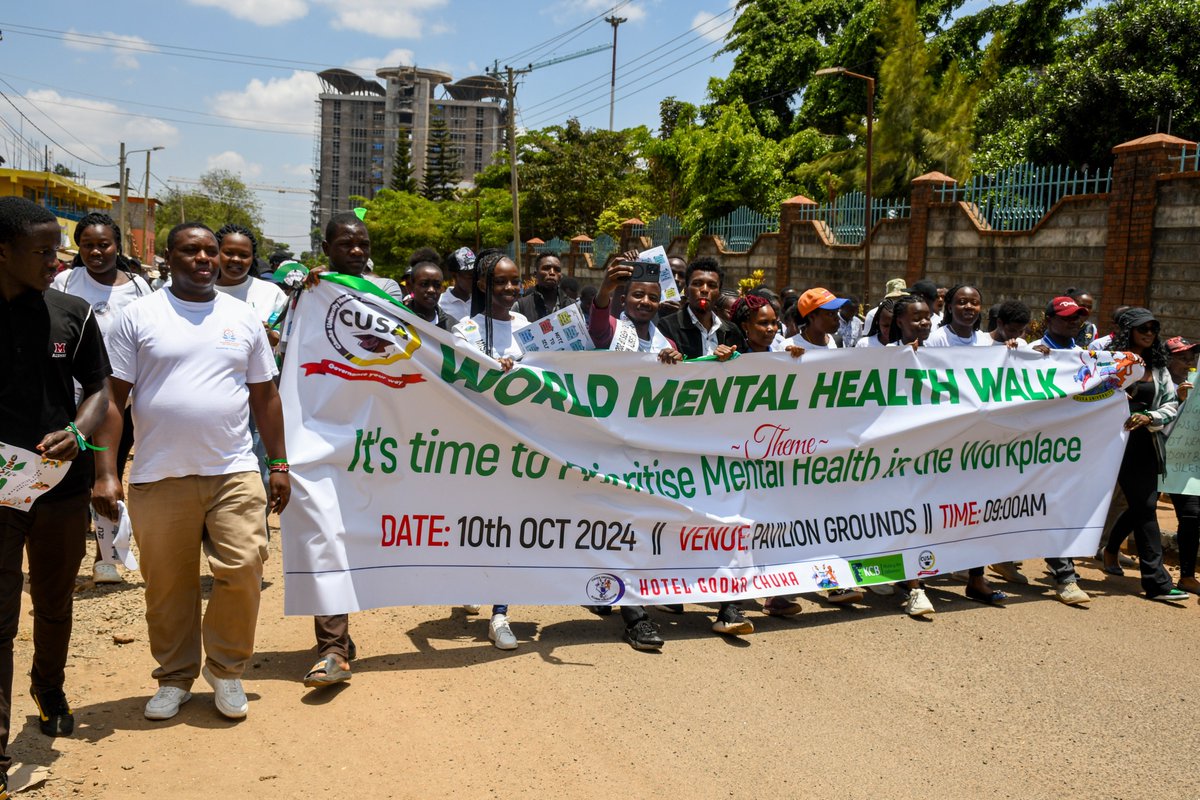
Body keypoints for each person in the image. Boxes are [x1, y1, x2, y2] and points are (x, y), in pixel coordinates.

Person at [94, 221, 291, 721]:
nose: (205, 259)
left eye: (211, 252)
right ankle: (175, 677)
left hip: (234, 470)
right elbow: (112, 400)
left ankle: (225, 671)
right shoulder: (138, 316)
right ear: (169, 257)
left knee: (245, 566)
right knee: (168, 586)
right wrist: (105, 471)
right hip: (159, 474)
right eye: (192, 251)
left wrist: (279, 463)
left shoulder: (242, 318)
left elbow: (265, 396)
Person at [0, 198, 114, 796]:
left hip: (58, 485)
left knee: (52, 600)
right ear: (4, 251)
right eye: (43, 251)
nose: (56, 261)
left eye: (56, 249)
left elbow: (100, 390)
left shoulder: (72, 312)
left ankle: (49, 689)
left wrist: (78, 434)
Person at [585, 259, 682, 649]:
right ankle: (636, 618)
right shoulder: (613, 331)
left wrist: (677, 366)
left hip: (651, 454)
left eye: (653, 297)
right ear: (625, 298)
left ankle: (614, 591)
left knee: (645, 528)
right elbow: (597, 326)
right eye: (638, 295)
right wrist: (605, 290)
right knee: (622, 532)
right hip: (610, 448)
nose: (646, 302)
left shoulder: (667, 343)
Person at [51, 212, 151, 585]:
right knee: (70, 475)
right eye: (88, 244)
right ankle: (64, 554)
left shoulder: (139, 287)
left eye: (103, 244)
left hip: (118, 400)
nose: (96, 251)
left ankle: (104, 557)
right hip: (71, 397)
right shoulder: (64, 282)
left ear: (117, 246)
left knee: (108, 475)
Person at [452, 250, 529, 649]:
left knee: (509, 526)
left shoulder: (526, 326)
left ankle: (500, 613)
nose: (510, 289)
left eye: (515, 281)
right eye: (501, 282)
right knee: (475, 522)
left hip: (520, 443)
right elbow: (458, 379)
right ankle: (467, 579)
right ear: (484, 285)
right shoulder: (465, 329)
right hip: (477, 444)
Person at [1099, 308, 1189, 601]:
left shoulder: (1159, 367)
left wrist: (1149, 416)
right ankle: (1062, 563)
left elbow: (1170, 405)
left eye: (1153, 328)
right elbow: (1087, 393)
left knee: (1146, 506)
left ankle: (1155, 582)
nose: (1149, 333)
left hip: (1144, 446)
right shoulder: (1108, 362)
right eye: (1143, 328)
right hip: (1110, 445)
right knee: (1091, 500)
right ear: (1128, 330)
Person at [883, 295, 937, 616]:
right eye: (916, 318)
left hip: (932, 452)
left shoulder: (948, 358)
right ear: (899, 322)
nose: (924, 323)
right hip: (896, 455)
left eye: (928, 317)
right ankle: (915, 588)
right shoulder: (885, 356)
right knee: (906, 517)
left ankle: (911, 579)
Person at [1163, 336, 1200, 594]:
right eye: (1182, 357)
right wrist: (1176, 398)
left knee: (1192, 515)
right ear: (1167, 359)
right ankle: (1111, 549)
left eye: (1192, 358)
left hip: (1185, 464)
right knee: (1139, 513)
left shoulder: (1197, 383)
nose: (1189, 362)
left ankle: (1186, 576)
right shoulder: (1155, 381)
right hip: (1155, 459)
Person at [658, 257, 743, 358]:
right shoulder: (667, 326)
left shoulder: (732, 331)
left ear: (719, 294)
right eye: (697, 284)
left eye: (712, 285)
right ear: (686, 291)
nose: (704, 290)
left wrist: (731, 358)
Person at [323, 213, 403, 301]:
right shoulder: (311, 288)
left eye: (364, 245)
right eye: (346, 244)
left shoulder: (385, 289)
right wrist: (317, 284)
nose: (358, 251)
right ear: (326, 248)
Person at [516, 253, 569, 320]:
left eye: (557, 269)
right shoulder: (521, 306)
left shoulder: (572, 306)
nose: (552, 272)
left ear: (561, 276)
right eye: (546, 268)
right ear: (535, 274)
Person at [406, 260, 455, 331]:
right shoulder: (398, 320)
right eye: (424, 284)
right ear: (411, 287)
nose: (431, 290)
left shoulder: (452, 325)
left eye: (437, 285)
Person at [438, 246, 475, 323]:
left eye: (477, 273)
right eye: (470, 275)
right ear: (454, 275)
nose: (475, 279)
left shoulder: (482, 301)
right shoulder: (440, 303)